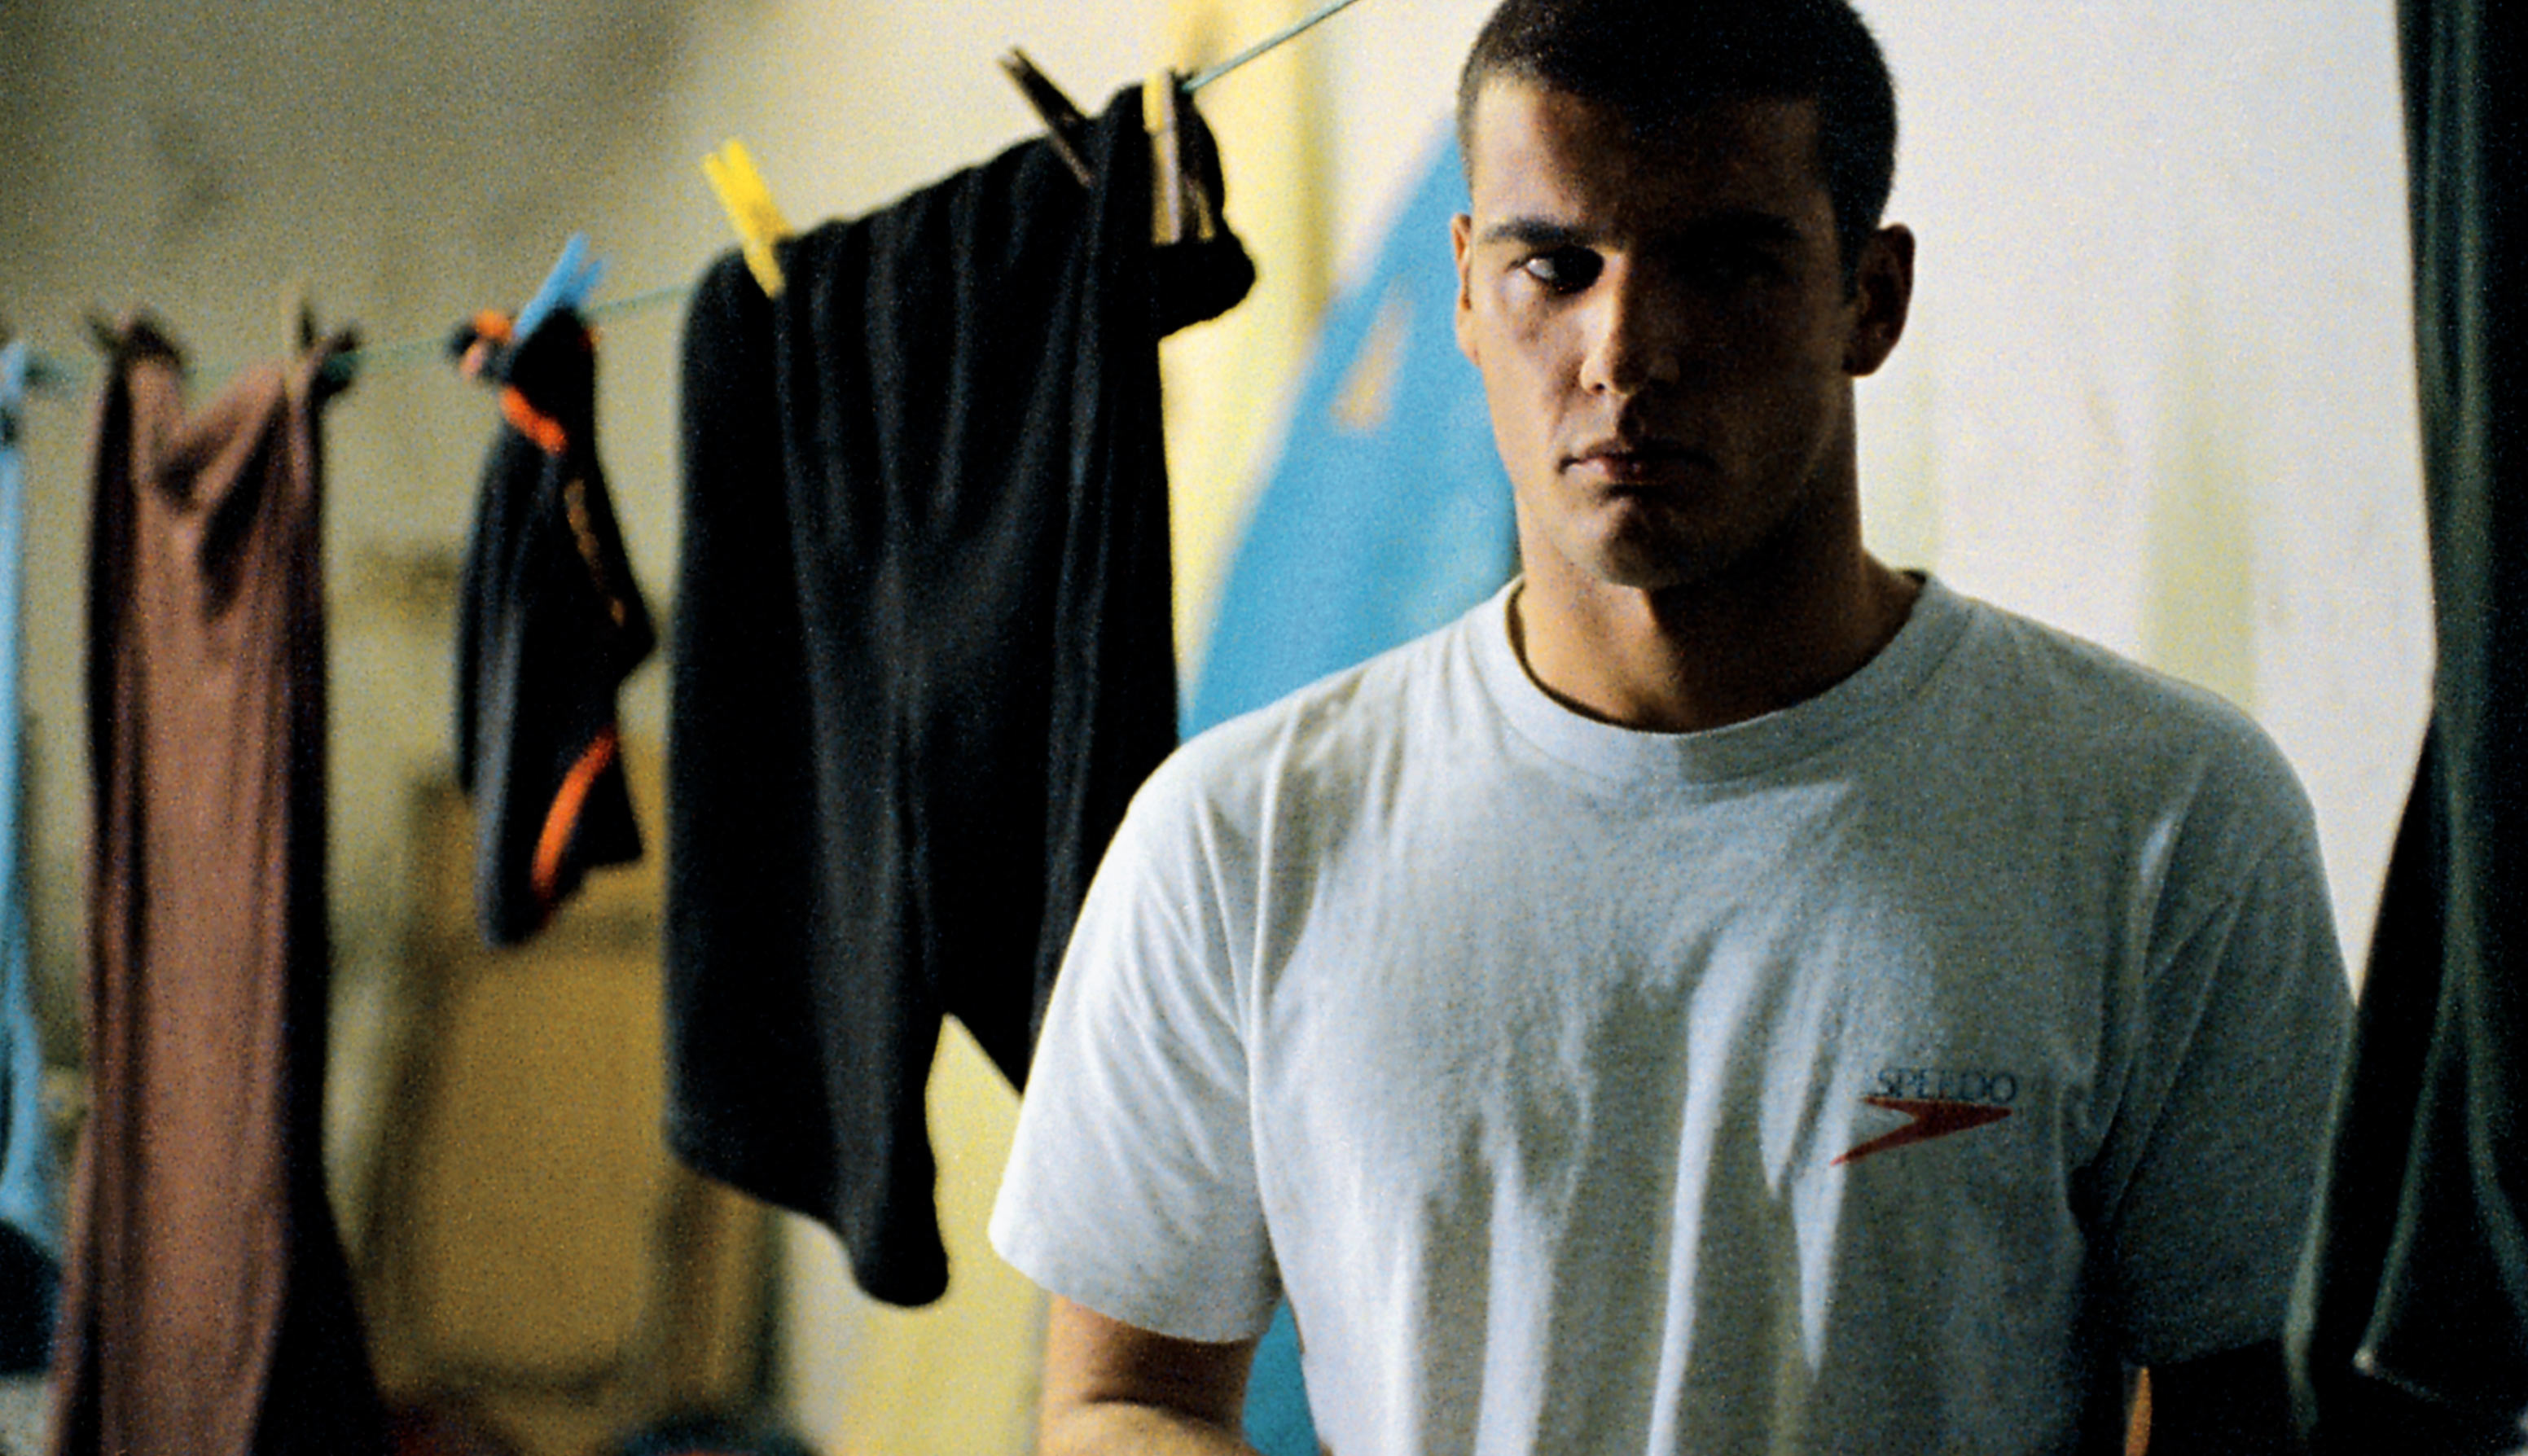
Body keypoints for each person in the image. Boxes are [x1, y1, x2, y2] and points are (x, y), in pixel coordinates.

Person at [988, 0, 2354, 1450]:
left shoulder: (2161, 815)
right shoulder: (1239, 838)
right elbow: (1125, 1394)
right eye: (1554, 267)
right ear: (1466, 290)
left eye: (1726, 264)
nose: (1627, 350)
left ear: (1871, 297)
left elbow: (2249, 1401)